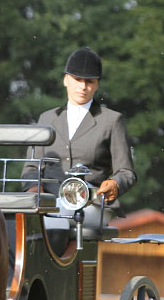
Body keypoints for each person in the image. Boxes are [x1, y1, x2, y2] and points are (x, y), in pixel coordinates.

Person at [25, 47, 136, 207]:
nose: (83, 87)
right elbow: (31, 168)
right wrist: (35, 189)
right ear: (65, 80)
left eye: (89, 81)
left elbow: (126, 172)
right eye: (77, 79)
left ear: (97, 85)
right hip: (49, 205)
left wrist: (115, 184)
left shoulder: (112, 120)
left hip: (92, 205)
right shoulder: (47, 118)